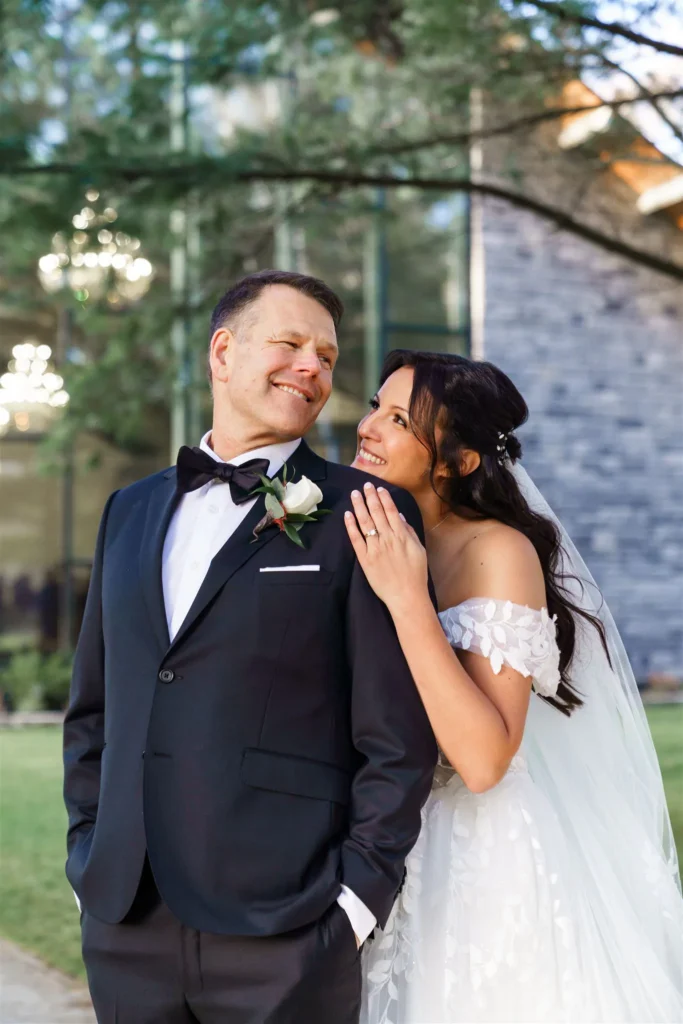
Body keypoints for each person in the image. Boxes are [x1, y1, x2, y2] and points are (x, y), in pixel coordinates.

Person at [63, 272, 436, 1024]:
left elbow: (396, 737)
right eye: (290, 343)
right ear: (223, 352)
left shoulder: (365, 511)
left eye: (327, 357)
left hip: (288, 927)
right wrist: (86, 859)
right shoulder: (126, 511)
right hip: (124, 918)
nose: (312, 368)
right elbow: (94, 709)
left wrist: (353, 907)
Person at [345, 350, 683, 1024]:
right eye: (376, 407)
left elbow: (483, 761)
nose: (367, 426)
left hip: (471, 860)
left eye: (398, 420)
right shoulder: (371, 530)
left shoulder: (497, 552)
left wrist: (407, 598)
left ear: (459, 461)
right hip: (375, 837)